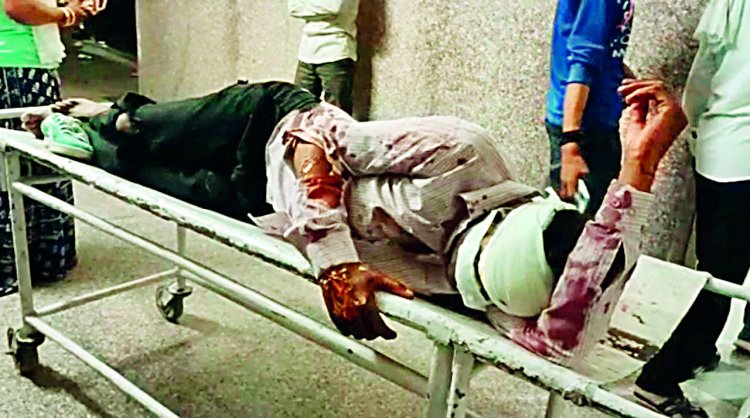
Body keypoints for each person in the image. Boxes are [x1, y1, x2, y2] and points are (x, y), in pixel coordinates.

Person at [23, 79, 685, 366]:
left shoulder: (500, 301)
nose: (447, 271)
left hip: (261, 205)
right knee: (135, 128)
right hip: (267, 123)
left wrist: (637, 174)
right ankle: (93, 111)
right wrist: (338, 263)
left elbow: (563, 344)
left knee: (127, 169)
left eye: (468, 286)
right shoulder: (463, 152)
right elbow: (316, 134)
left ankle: (76, 131)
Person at [634, 0, 750, 416]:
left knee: (715, 266)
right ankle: (659, 380)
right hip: (744, 158)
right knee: (723, 279)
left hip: (718, 146)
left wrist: (700, 131)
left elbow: (702, 76)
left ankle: (699, 350)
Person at [0, 0, 101, 297]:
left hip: (18, 63)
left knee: (18, 166)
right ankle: (30, 261)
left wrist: (70, 7)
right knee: (32, 164)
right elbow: (18, 7)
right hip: (17, 67)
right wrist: (68, 13)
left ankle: (23, 259)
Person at [545, 0, 636, 214]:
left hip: (595, 124)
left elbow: (602, 50)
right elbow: (582, 62)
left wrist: (627, 81)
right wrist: (570, 144)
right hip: (585, 131)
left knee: (598, 214)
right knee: (583, 223)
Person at [288, 0, 358, 114]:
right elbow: (293, 8)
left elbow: (333, 7)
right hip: (307, 51)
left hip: (335, 50)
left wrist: (305, 4)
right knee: (299, 109)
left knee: (336, 113)